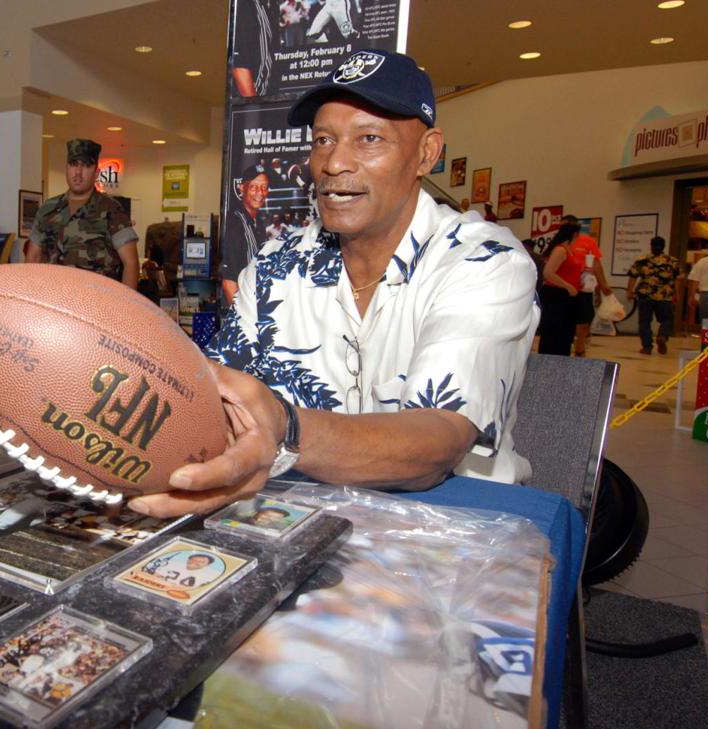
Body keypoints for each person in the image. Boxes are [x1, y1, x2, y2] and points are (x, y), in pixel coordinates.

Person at [127, 50, 539, 519]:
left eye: (369, 139)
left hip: (456, 521)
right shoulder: (276, 265)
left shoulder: (481, 262)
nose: (334, 162)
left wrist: (287, 429)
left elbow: (438, 442)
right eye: (322, 140)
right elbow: (219, 400)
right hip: (298, 507)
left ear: (427, 153)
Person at [26, 138, 139, 289]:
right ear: (66, 168)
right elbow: (33, 257)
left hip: (95, 305)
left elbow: (131, 263)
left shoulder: (111, 210)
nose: (78, 172)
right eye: (73, 164)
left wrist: (125, 308)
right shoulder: (48, 209)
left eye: (86, 165)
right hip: (53, 302)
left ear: (96, 172)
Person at [232, 0, 283, 99]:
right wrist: (254, 109)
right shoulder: (246, 4)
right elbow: (239, 65)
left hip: (266, 99)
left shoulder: (272, 2)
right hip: (250, 104)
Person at [561, 214, 612, 357]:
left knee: (584, 319)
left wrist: (603, 284)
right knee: (566, 319)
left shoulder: (588, 241)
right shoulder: (560, 241)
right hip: (563, 286)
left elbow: (596, 263)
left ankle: (579, 347)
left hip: (583, 286)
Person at [221, 163, 269, 305]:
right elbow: (229, 281)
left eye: (264, 187)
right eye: (254, 187)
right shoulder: (235, 223)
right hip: (240, 313)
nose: (260, 192)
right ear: (242, 188)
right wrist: (241, 318)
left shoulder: (258, 223)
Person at [626, 236, 679, 355]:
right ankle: (662, 336)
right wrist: (676, 294)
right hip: (665, 295)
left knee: (644, 322)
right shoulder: (672, 261)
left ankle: (647, 347)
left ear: (651, 246)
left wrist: (630, 291)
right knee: (667, 319)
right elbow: (676, 279)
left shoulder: (642, 260)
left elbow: (633, 277)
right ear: (664, 246)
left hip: (645, 295)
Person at [536, 222, 583, 356]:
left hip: (566, 296)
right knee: (554, 331)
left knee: (565, 332)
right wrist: (567, 286)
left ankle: (561, 357)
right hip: (556, 296)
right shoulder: (560, 250)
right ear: (575, 234)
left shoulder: (570, 251)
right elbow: (548, 272)